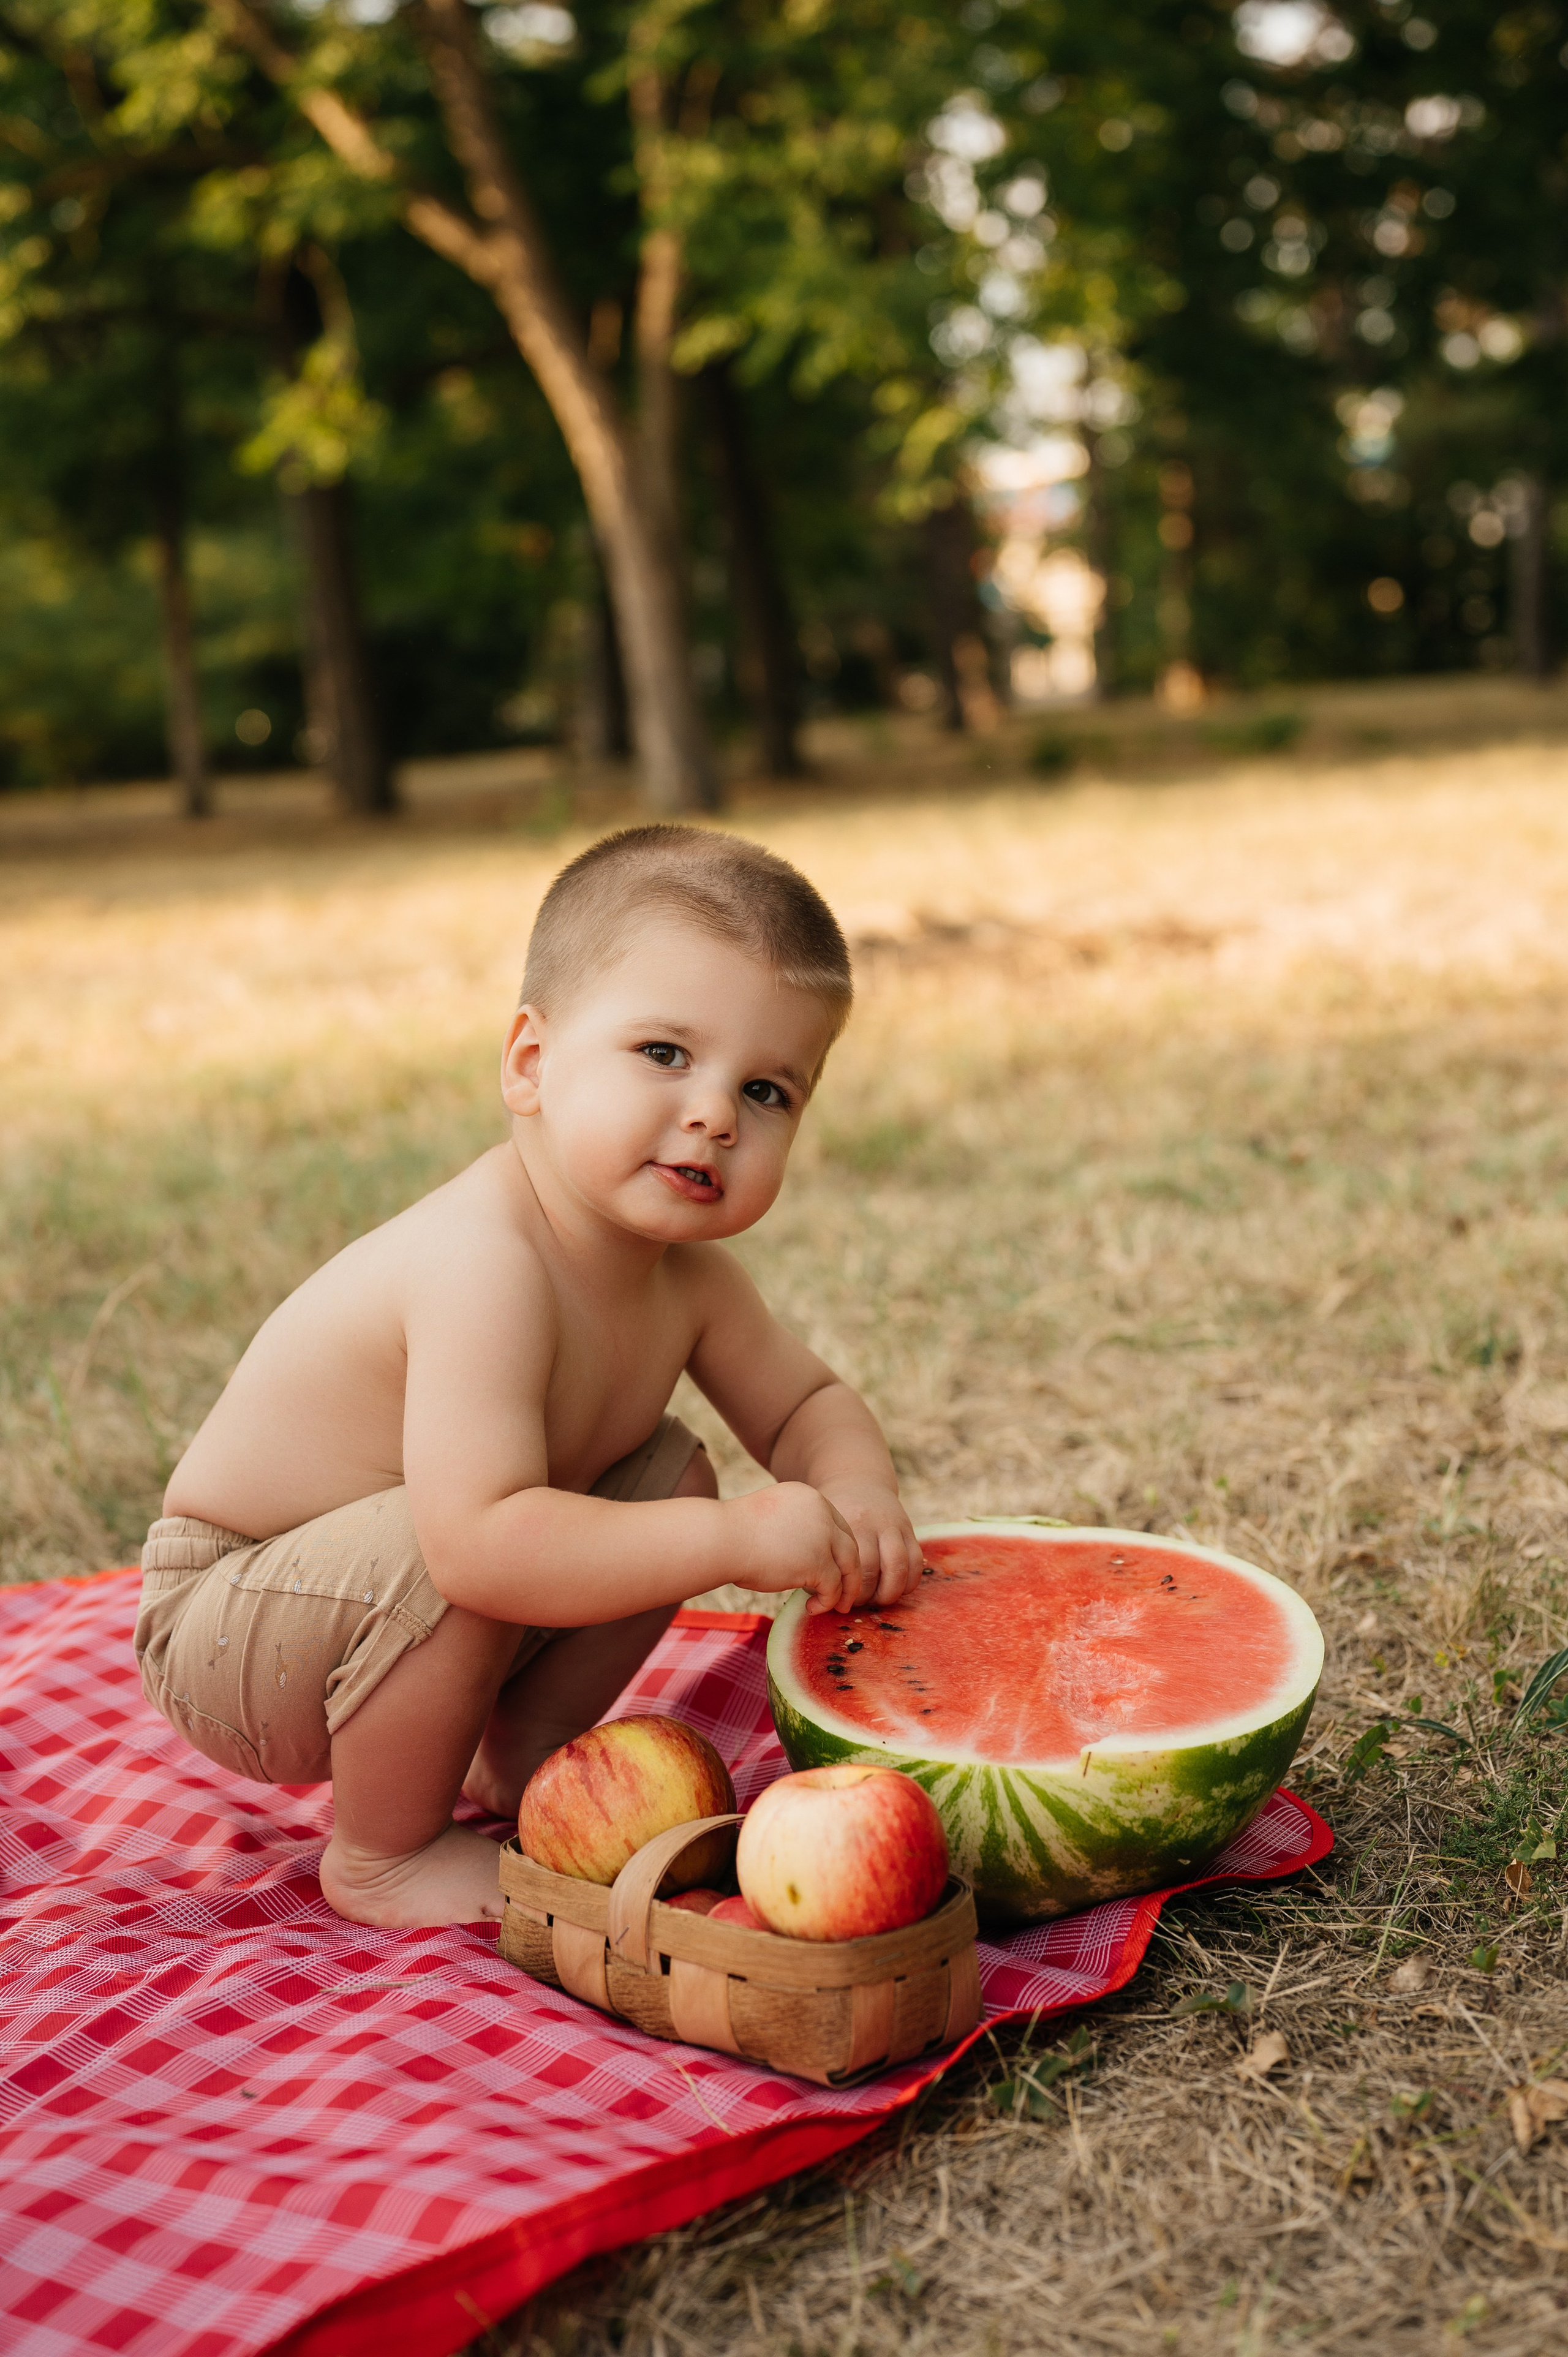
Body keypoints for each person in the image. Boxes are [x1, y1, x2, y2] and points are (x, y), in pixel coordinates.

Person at [136, 825, 923, 1929]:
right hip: (233, 1625)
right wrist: (740, 1541)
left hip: (396, 1606)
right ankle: (384, 1852)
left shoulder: (691, 1283)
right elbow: (478, 1545)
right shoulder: (484, 1263)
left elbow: (806, 1406)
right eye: (663, 1054)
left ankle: (522, 1759)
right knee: (463, 1535)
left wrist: (859, 1493)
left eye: (768, 1091)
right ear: (530, 1064)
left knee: (669, 1476)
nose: (713, 1113)